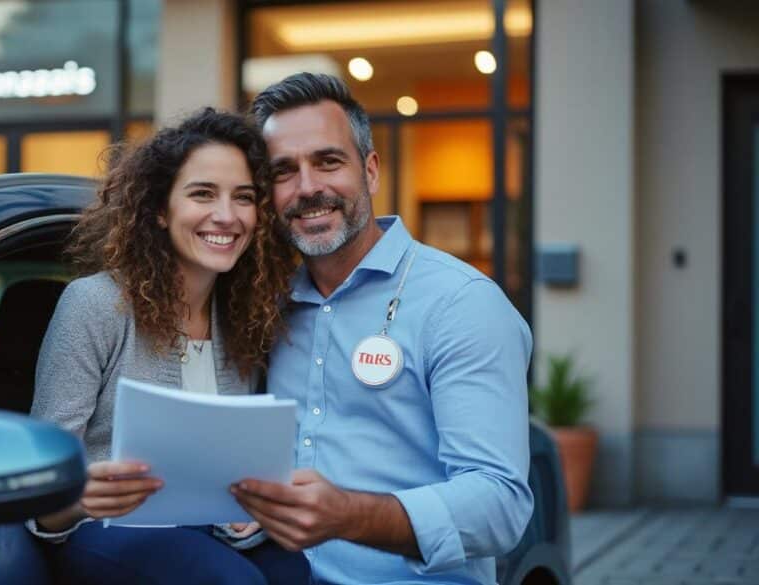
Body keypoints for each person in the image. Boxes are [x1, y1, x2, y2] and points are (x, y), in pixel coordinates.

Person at [231, 73, 534, 585]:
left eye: (328, 161)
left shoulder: (460, 304)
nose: (308, 188)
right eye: (284, 171)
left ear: (370, 170)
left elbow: (499, 504)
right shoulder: (262, 304)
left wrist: (349, 515)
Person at [28, 108, 307, 584]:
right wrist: (78, 498)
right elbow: (40, 493)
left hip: (211, 528)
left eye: (243, 198)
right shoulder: (95, 304)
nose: (227, 215)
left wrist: (255, 507)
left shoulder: (245, 315)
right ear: (160, 209)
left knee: (293, 570)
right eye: (203, 194)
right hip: (107, 529)